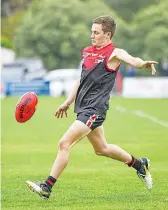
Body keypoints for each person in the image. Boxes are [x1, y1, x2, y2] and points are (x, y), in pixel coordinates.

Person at [26, 15, 157, 199]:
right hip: (82, 108)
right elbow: (81, 80)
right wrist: (68, 102)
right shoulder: (87, 52)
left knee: (64, 143)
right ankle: (139, 164)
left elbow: (132, 59)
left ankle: (46, 187)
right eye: (91, 32)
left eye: (96, 32)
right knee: (101, 149)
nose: (92, 35)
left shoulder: (114, 53)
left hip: (95, 110)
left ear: (108, 35)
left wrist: (142, 64)